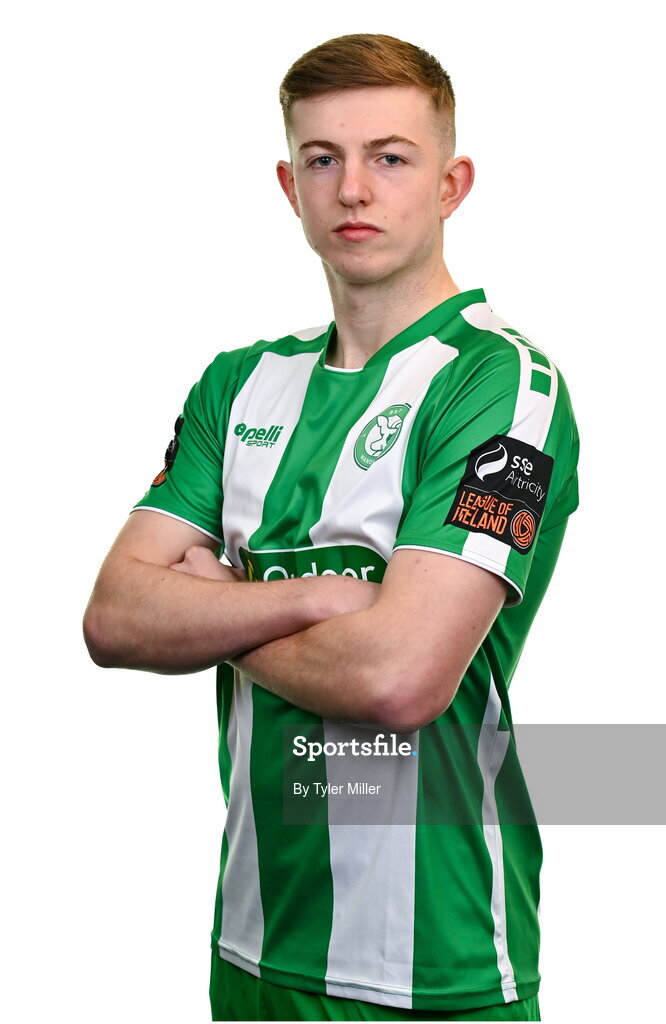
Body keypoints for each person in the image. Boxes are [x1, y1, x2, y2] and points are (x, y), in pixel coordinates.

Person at [83, 32, 579, 1022]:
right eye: (324, 159)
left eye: (390, 157)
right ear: (290, 183)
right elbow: (114, 617)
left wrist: (218, 605)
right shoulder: (238, 385)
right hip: (252, 946)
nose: (354, 188)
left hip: (433, 968)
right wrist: (310, 595)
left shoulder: (502, 385)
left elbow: (400, 678)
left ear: (450, 182)